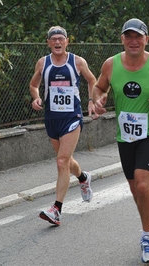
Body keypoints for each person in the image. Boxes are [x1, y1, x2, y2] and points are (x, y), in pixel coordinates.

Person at [92, 18, 149, 263]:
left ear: (146, 39)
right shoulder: (111, 64)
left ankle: (147, 237)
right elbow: (99, 88)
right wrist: (98, 100)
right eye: (129, 36)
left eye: (138, 37)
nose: (133, 41)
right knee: (135, 190)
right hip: (125, 135)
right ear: (122, 39)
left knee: (143, 186)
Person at [29, 26, 98, 226]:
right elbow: (33, 85)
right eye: (54, 39)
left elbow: (92, 80)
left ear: (67, 41)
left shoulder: (77, 62)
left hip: (71, 117)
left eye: (61, 39)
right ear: (48, 42)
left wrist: (91, 100)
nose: (57, 42)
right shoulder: (43, 63)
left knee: (61, 162)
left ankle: (56, 210)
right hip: (52, 118)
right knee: (66, 161)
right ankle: (84, 178)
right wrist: (36, 98)